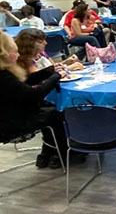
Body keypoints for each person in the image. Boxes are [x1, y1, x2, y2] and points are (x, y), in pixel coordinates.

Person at [0, 32, 73, 169]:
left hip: (11, 114)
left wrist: (50, 71)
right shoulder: (3, 77)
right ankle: (64, 152)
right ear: (4, 55)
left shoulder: (5, 73)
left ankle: (48, 151)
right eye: (14, 52)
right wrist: (55, 76)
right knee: (58, 113)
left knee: (48, 108)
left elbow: (25, 82)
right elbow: (33, 95)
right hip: (10, 123)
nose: (17, 55)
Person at [14, 28, 82, 79]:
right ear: (29, 45)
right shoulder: (26, 59)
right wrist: (68, 68)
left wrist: (65, 62)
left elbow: (52, 66)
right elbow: (40, 75)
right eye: (40, 42)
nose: (46, 43)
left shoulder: (41, 53)